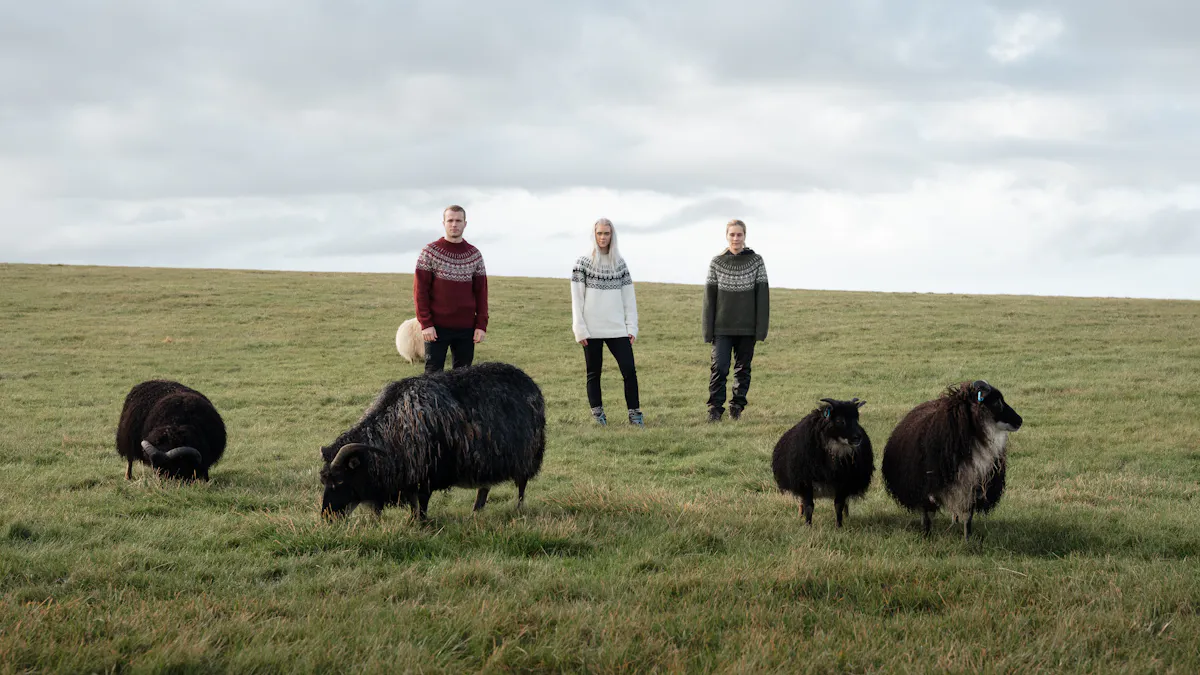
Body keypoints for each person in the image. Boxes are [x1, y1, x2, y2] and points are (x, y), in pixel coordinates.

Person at [570, 218, 643, 427]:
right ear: (594, 235)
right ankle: (598, 415)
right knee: (594, 372)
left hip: (617, 328)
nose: (603, 237)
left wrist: (632, 327)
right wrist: (580, 329)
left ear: (612, 236)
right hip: (591, 329)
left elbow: (629, 298)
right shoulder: (582, 263)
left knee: (629, 370)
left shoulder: (620, 264)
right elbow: (577, 298)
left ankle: (635, 414)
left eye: (607, 234)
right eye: (600, 233)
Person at [702, 219, 769, 422]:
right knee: (720, 368)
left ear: (745, 236)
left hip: (747, 329)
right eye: (732, 234)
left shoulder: (756, 261)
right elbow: (709, 299)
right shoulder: (717, 262)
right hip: (722, 327)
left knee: (742, 369)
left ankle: (737, 406)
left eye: (739, 234)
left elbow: (763, 297)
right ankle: (715, 409)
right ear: (727, 236)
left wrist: (761, 329)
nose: (736, 238)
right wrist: (708, 330)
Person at [413, 205, 488, 373]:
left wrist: (481, 325)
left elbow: (481, 293)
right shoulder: (430, 252)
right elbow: (420, 291)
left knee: (463, 379)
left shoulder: (474, 255)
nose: (454, 224)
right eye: (450, 220)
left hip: (466, 329)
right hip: (436, 328)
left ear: (465, 224)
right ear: (444, 223)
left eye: (458, 221)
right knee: (432, 378)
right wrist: (426, 324)